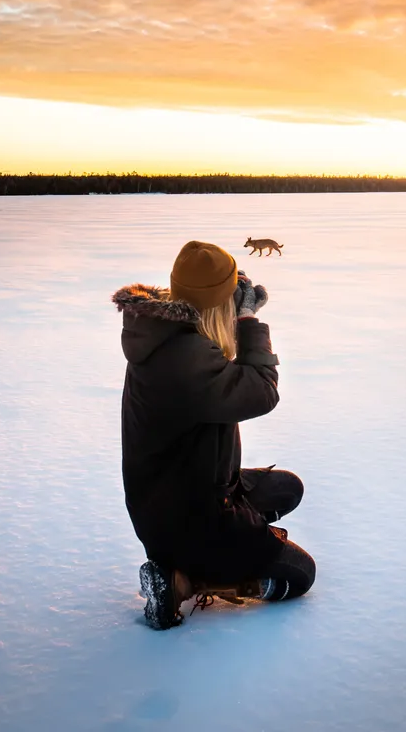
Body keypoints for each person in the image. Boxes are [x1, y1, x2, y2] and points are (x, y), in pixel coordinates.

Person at [112, 239, 316, 630]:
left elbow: (223, 370)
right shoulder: (184, 361)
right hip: (188, 518)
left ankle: (217, 554)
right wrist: (248, 321)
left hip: (169, 498)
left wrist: (230, 311)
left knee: (288, 488)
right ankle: (184, 580)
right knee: (300, 574)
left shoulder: (167, 334)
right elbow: (261, 391)